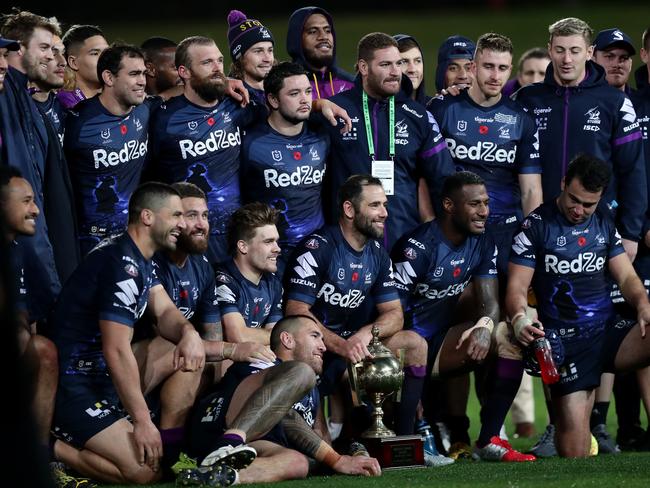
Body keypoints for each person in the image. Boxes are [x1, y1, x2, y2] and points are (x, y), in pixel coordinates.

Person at [49, 182, 241, 485]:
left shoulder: (139, 258)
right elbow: (116, 349)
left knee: (177, 345)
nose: (182, 224)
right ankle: (51, 449)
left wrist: (189, 333)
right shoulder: (121, 264)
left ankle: (159, 446)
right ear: (148, 217)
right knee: (144, 472)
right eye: (176, 214)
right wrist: (141, 422)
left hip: (101, 381)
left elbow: (165, 312)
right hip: (76, 384)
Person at [148, 35, 349, 265]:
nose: (217, 69)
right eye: (207, 63)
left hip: (236, 237)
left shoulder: (240, 105)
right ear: (184, 72)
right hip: (189, 233)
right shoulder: (162, 118)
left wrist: (318, 104)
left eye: (219, 61)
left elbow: (284, 104)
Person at [507, 154, 650, 458]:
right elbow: (517, 288)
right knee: (575, 451)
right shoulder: (534, 227)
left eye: (589, 204)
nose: (579, 210)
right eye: (574, 200)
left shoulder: (603, 222)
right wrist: (519, 319)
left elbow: (626, 276)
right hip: (565, 342)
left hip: (608, 332)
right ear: (562, 185)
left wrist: (642, 305)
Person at [391, 171, 534, 462]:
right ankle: (407, 444)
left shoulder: (482, 241)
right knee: (414, 343)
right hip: (400, 347)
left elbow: (491, 302)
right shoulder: (416, 249)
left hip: (441, 344)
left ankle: (489, 439)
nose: (484, 212)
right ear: (448, 205)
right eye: (474, 204)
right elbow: (391, 314)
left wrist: (484, 326)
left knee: (508, 335)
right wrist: (407, 368)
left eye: (486, 203)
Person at [284, 175, 429, 450]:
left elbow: (394, 314)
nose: (384, 213)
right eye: (375, 205)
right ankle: (346, 436)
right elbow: (295, 312)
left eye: (384, 205)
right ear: (349, 210)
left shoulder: (377, 252)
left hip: (352, 346)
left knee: (414, 344)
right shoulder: (317, 249)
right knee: (318, 451)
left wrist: (367, 333)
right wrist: (341, 345)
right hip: (314, 349)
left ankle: (405, 443)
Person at [183, 315, 381, 486]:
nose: (323, 346)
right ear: (287, 339)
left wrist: (349, 451)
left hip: (256, 442)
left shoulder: (313, 389)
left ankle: (215, 474)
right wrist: (335, 459)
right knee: (302, 372)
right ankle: (225, 446)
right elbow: (285, 416)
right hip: (220, 427)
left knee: (297, 463)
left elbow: (315, 439)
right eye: (315, 336)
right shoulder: (264, 360)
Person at [515, 17, 645, 263]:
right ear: (550, 49)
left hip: (599, 229)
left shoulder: (614, 102)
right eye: (560, 50)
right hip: (540, 229)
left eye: (574, 51)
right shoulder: (526, 100)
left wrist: (630, 233)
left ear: (589, 52)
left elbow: (633, 172)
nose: (566, 60)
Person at [318, 32, 454, 249]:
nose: (395, 72)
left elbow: (444, 180)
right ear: (364, 67)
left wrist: (446, 239)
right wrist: (317, 105)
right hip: (347, 249)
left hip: (403, 245)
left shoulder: (417, 116)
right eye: (385, 64)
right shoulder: (335, 111)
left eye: (397, 63)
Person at [1, 10, 72, 323]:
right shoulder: (6, 96)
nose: (52, 56)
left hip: (37, 238)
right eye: (44, 48)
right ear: (18, 49)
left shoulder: (27, 102)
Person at [240, 62, 329, 277]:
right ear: (273, 99)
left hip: (317, 254)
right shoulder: (251, 143)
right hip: (271, 258)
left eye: (308, 91)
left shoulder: (322, 137)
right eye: (294, 93)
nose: (305, 99)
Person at [64, 44, 151, 256]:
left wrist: (226, 83)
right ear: (109, 78)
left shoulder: (145, 109)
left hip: (134, 236)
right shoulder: (79, 123)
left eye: (143, 74)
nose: (142, 81)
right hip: (90, 240)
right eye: (133, 74)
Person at [0, 165, 59, 465]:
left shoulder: (16, 249)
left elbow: (21, 314)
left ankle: (36, 459)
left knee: (43, 352)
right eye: (26, 201)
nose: (35, 210)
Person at [215, 203, 283, 346]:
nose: (277, 249)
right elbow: (238, 336)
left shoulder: (273, 282)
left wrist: (273, 337)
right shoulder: (222, 280)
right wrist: (273, 336)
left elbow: (277, 340)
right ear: (243, 246)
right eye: (268, 242)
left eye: (276, 241)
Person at [286, 6, 354, 99]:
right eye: (313, 31)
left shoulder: (351, 84)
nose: (324, 36)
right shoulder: (285, 86)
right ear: (296, 40)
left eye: (328, 31)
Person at [226, 10, 274, 105]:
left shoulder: (282, 87)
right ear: (240, 57)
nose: (267, 59)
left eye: (270, 50)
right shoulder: (231, 98)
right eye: (258, 51)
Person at [58, 24, 108, 109]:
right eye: (95, 53)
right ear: (73, 62)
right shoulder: (64, 104)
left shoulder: (120, 96)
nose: (105, 58)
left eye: (106, 52)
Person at [394, 34, 430, 105]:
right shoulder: (380, 111)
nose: (412, 70)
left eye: (417, 61)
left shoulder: (433, 107)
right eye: (404, 62)